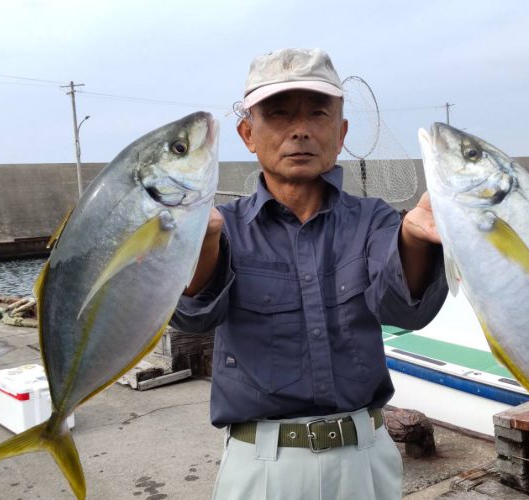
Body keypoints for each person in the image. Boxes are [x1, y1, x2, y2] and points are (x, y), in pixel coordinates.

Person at [171, 47, 448, 500]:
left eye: (318, 113)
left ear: (340, 133)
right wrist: (201, 242)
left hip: (365, 459)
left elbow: (405, 310)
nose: (299, 130)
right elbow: (191, 318)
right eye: (279, 115)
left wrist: (416, 240)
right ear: (247, 134)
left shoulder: (375, 220)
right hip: (260, 466)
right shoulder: (224, 227)